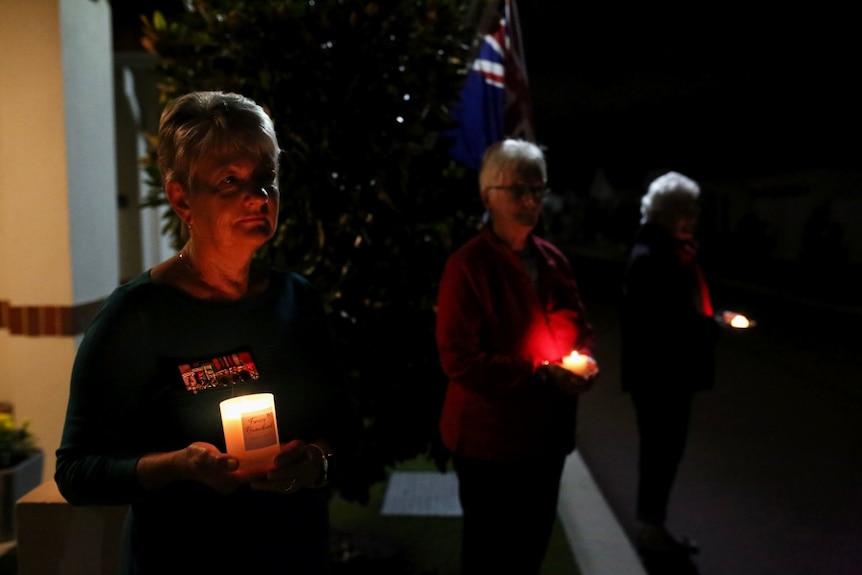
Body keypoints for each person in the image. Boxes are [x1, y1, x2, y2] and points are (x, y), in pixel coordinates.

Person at [55, 91, 359, 574]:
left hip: (293, 551)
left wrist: (316, 461)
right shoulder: (137, 317)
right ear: (181, 198)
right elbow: (78, 473)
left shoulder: (295, 299)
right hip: (183, 558)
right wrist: (178, 466)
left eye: (267, 179)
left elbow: (345, 431)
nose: (258, 197)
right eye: (230, 181)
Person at [435, 138, 598, 575]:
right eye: (519, 190)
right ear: (488, 195)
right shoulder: (468, 266)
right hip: (491, 445)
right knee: (491, 555)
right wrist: (541, 375)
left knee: (530, 551)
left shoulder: (554, 262)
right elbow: (460, 360)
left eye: (538, 190)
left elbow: (582, 331)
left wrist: (586, 362)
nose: (531, 200)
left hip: (546, 439)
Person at [620, 170, 719, 559]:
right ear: (666, 212)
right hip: (661, 377)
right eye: (685, 209)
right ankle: (651, 529)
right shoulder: (651, 258)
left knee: (665, 451)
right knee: (661, 450)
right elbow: (661, 323)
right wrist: (705, 328)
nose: (692, 217)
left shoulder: (668, 252)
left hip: (666, 373)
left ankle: (653, 526)